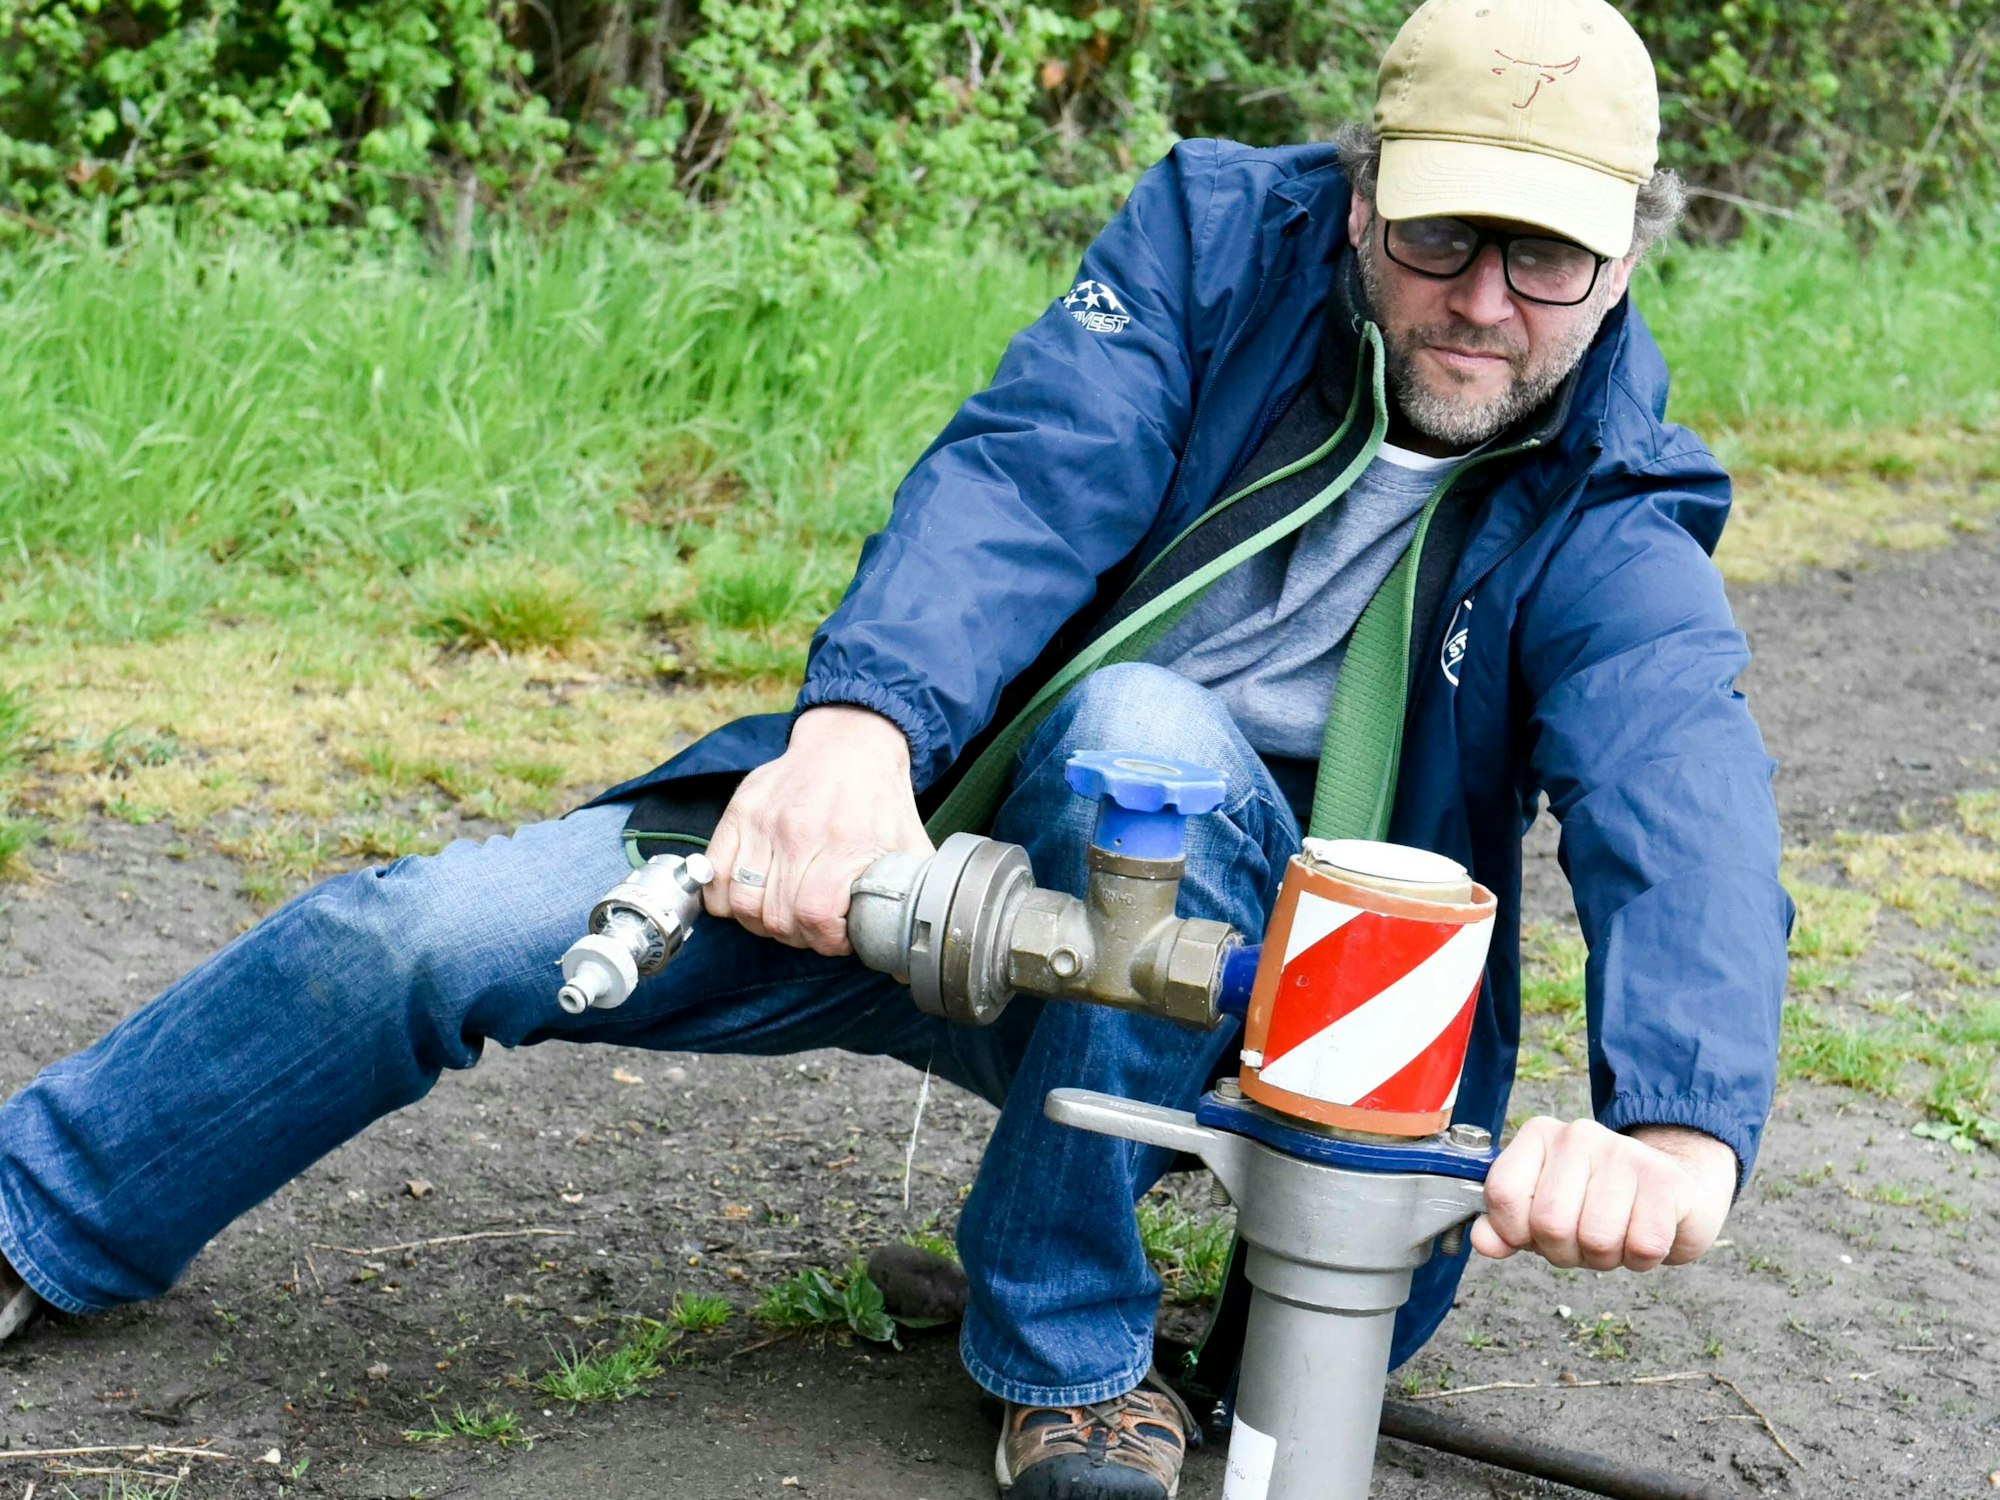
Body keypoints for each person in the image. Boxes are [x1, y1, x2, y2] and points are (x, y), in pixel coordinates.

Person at [0, 0, 1791, 1493]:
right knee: (423, 937)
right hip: (951, 852)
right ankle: (41, 1206)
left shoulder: (1612, 507)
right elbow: (1025, 473)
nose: (1485, 299)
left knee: (1154, 773)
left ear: (1629, 250)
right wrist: (859, 735)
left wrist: (1681, 1129)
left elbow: (1675, 788)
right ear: (1355, 196)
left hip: (1300, 1022)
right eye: (1441, 235)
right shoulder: (1207, 243)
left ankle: (1069, 1361)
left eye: (1547, 256)